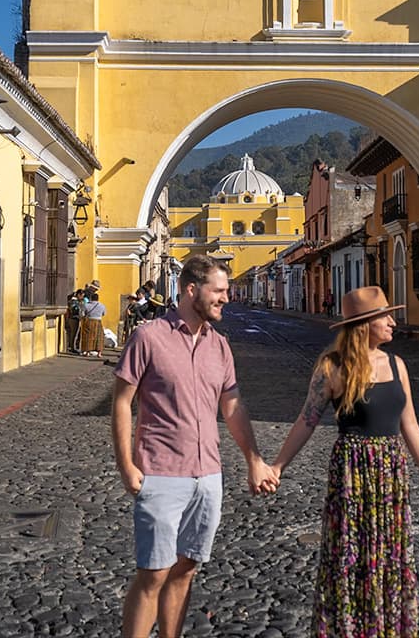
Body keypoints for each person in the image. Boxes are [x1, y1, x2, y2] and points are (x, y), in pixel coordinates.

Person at [112, 254, 278, 638]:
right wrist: (126, 465)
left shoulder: (219, 346)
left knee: (186, 569)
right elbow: (122, 401)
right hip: (160, 472)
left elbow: (232, 406)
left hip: (208, 476)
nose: (226, 298)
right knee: (153, 574)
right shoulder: (149, 337)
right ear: (191, 290)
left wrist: (254, 459)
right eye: (218, 291)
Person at [268, 286, 419, 638]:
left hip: (391, 470)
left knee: (389, 551)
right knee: (350, 551)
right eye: (385, 316)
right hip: (352, 469)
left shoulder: (397, 365)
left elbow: (409, 422)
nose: (393, 322)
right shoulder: (332, 368)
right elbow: (307, 420)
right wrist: (277, 466)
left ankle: (385, 628)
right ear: (366, 324)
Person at [80, 289, 106, 356]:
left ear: (91, 298)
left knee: (88, 337)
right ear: (98, 299)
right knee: (99, 337)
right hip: (98, 322)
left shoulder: (86, 305)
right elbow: (104, 314)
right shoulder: (102, 306)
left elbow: (82, 314)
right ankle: (99, 353)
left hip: (89, 321)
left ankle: (87, 352)